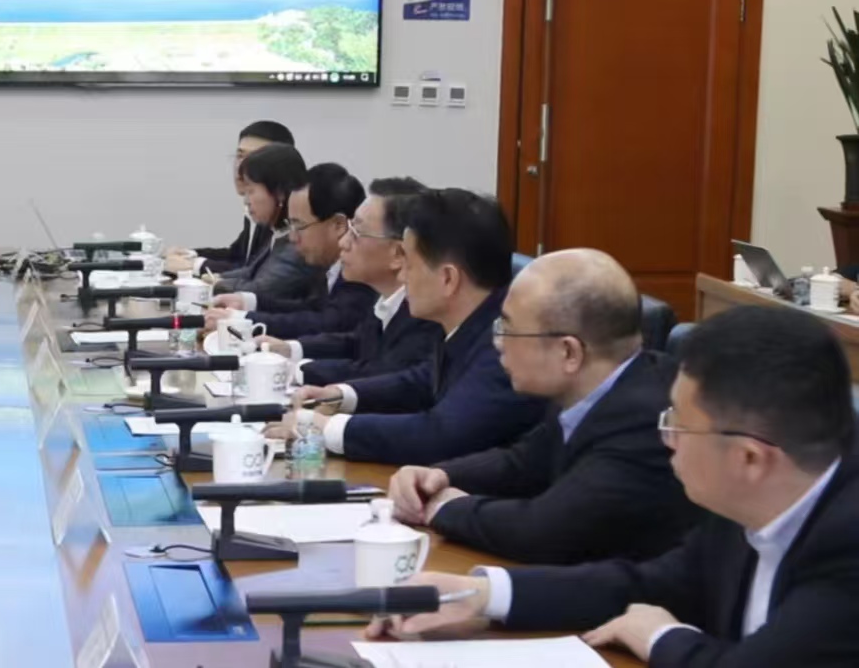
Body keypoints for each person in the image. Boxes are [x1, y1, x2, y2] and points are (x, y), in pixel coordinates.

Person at [368, 307, 859, 667]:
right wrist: (481, 594)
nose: (666, 439)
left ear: (749, 458)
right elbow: (651, 584)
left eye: (678, 425)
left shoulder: (846, 546)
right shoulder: (752, 500)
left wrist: (662, 637)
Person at [388, 249, 700, 564]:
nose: (498, 343)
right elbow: (524, 463)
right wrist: (439, 476)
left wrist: (444, 508)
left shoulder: (643, 423)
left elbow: (542, 530)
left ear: (568, 352)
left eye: (508, 330)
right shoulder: (590, 387)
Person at [270, 188, 545, 465]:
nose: (401, 276)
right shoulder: (469, 322)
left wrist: (326, 428)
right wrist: (342, 395)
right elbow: (422, 381)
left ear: (448, 279)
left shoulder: (507, 345)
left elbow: (439, 435)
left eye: (410, 264)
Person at [266, 177, 443, 386]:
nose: (343, 242)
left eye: (357, 233)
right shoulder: (386, 298)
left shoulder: (424, 314)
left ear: (398, 253)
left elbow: (382, 372)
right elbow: (357, 343)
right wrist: (289, 349)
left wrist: (296, 371)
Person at [210, 162, 377, 336]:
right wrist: (247, 302)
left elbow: (328, 323)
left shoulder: (361, 272)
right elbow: (309, 308)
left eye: (299, 226)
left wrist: (244, 318)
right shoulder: (327, 264)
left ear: (338, 225)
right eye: (290, 225)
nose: (292, 237)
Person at [168, 121, 295, 275]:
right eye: (240, 156)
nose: (241, 166)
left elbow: (257, 272)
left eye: (255, 158)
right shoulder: (255, 206)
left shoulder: (288, 215)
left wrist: (195, 265)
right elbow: (238, 256)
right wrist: (189, 254)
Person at [208, 144, 322, 307]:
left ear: (280, 192)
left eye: (251, 191)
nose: (246, 201)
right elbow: (250, 272)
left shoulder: (297, 244)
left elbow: (257, 290)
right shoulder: (278, 232)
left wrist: (213, 285)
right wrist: (214, 278)